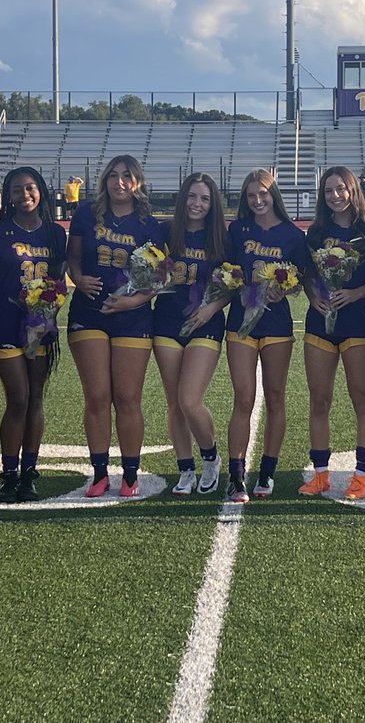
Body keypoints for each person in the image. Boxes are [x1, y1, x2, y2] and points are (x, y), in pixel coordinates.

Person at [67, 155, 162, 498]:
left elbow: (158, 279)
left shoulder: (150, 225)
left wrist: (133, 301)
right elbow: (73, 260)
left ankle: (131, 474)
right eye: (114, 176)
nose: (120, 182)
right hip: (89, 312)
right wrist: (78, 279)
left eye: (127, 176)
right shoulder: (86, 213)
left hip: (132, 316)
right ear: (105, 179)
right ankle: (99, 472)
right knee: (96, 395)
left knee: (127, 397)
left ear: (138, 182)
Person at [0, 166, 68, 503]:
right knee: (17, 398)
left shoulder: (54, 234)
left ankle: (29, 472)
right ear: (8, 195)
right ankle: (10, 472)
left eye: (31, 188)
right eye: (17, 190)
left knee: (35, 397)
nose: (25, 194)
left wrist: (47, 313)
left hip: (41, 328)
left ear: (42, 191)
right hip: (4, 324)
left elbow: (60, 281)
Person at [297, 166, 365, 501]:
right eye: (328, 191)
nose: (335, 196)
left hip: (358, 321)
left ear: (352, 191)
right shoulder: (316, 232)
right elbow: (304, 274)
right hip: (320, 323)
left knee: (362, 399)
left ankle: (361, 476)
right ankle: (320, 475)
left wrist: (357, 292)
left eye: (340, 189)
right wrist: (312, 295)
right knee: (319, 399)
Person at [224, 168, 308, 503]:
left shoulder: (292, 235)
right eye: (251, 196)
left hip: (277, 327)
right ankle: (236, 475)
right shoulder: (237, 230)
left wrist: (284, 289)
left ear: (274, 195)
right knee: (243, 398)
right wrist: (232, 282)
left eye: (263, 193)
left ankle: (268, 471)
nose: (258, 200)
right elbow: (225, 271)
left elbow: (300, 283)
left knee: (275, 398)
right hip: (240, 324)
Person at [153, 172, 229, 496]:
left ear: (212, 204)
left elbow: (232, 286)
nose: (197, 203)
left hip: (205, 322)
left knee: (190, 399)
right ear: (183, 198)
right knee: (174, 403)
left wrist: (211, 309)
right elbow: (148, 275)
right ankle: (185, 467)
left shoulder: (220, 239)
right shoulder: (165, 232)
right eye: (192, 196)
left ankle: (210, 457)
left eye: (205, 198)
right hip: (167, 321)